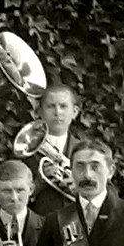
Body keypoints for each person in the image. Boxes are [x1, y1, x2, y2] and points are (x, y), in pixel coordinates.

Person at [27, 84, 81, 217]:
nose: (57, 112)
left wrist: (81, 187)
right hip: (40, 222)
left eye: (63, 106)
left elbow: (107, 194)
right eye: (51, 106)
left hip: (77, 222)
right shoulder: (26, 148)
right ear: (39, 112)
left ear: (75, 112)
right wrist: (39, 182)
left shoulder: (87, 150)